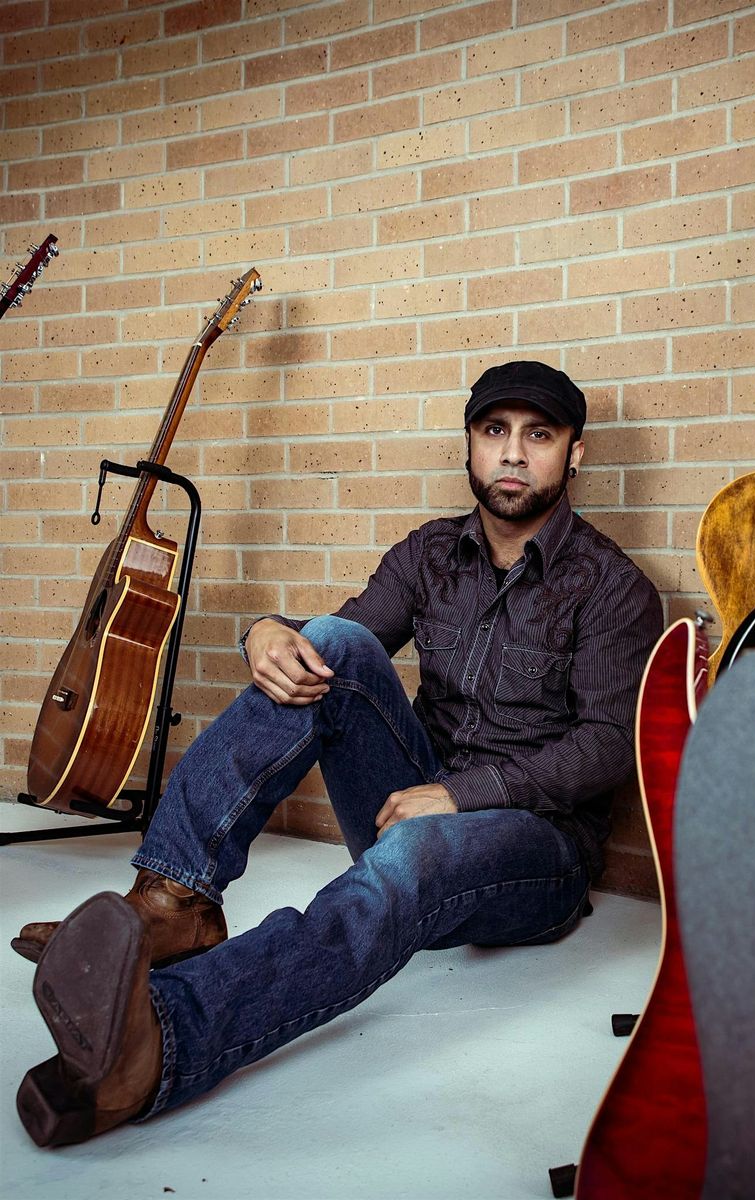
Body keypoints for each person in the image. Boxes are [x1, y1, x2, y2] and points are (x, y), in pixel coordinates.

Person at [11, 360, 663, 1148]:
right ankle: (173, 901)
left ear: (574, 454)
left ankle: (161, 1046)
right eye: (495, 433)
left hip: (538, 849)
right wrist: (263, 629)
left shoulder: (612, 586)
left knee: (419, 847)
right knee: (330, 643)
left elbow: (606, 747)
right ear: (470, 446)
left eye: (539, 435)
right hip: (409, 803)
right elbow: (340, 647)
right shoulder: (428, 555)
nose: (515, 454)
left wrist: (467, 794)